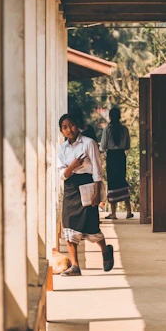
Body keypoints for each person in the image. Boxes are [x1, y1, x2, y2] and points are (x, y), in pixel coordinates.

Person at [58, 113, 114, 276]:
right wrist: (73, 165)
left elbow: (97, 168)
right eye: (65, 127)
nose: (69, 130)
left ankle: (105, 249)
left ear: (78, 125)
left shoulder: (89, 143)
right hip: (70, 188)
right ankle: (75, 266)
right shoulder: (62, 149)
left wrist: (97, 193)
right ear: (62, 131)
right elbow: (62, 174)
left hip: (87, 186)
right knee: (68, 226)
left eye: (72, 125)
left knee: (91, 226)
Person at [100, 108, 134, 220]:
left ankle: (113, 213)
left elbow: (103, 146)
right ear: (120, 117)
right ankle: (129, 210)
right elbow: (127, 146)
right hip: (121, 156)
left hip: (111, 157)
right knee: (122, 181)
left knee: (112, 182)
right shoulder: (124, 129)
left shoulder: (107, 130)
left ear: (109, 117)